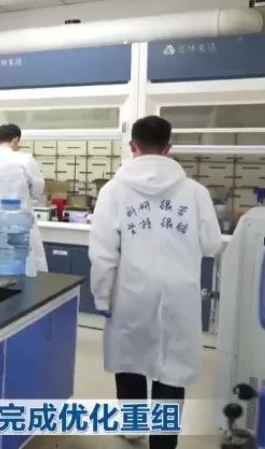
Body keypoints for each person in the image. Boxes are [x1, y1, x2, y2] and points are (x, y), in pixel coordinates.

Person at [89, 116, 221, 449]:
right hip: (179, 295)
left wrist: (102, 298)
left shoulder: (113, 191)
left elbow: (103, 254)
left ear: (132, 146)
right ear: (168, 148)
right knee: (172, 369)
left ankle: (133, 429)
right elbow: (212, 244)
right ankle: (163, 443)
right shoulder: (195, 192)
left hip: (131, 293)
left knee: (129, 361)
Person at [0, 123, 48, 274]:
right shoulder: (25, 160)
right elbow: (37, 190)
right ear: (16, 140)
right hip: (22, 227)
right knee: (26, 270)